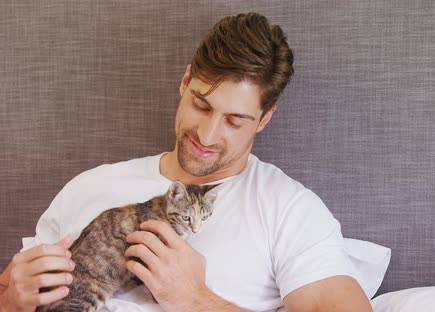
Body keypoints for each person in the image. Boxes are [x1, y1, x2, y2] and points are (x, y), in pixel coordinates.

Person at [0, 12, 372, 312]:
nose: (207, 136)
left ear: (264, 119)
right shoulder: (89, 186)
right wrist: (10, 303)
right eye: (201, 105)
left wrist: (196, 300)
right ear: (185, 82)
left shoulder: (288, 210)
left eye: (234, 120)